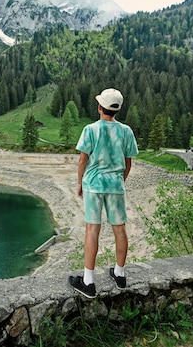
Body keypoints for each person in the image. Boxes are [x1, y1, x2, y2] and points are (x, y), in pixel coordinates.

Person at [68, 88, 139, 298]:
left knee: (92, 229)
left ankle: (88, 281)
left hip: (94, 185)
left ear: (100, 107)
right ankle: (120, 275)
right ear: (117, 109)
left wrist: (80, 183)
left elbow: (82, 160)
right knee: (120, 229)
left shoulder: (90, 129)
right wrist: (120, 180)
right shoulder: (126, 131)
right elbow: (128, 162)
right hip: (115, 185)